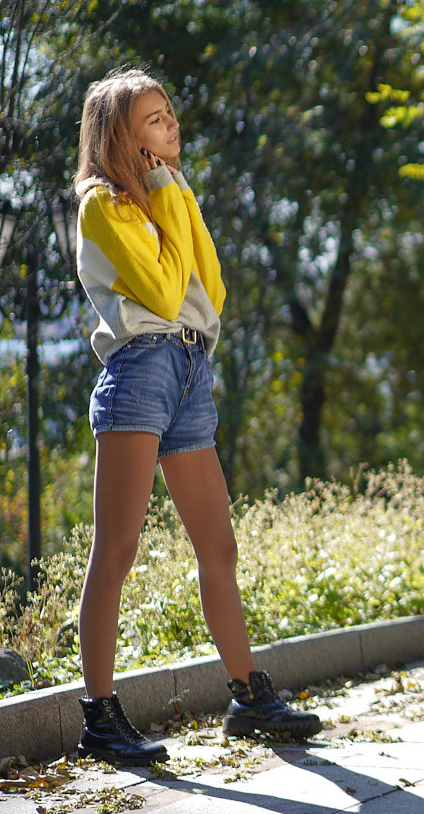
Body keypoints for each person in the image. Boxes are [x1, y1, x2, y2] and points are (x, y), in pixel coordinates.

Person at [71, 68, 320, 766]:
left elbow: (209, 286)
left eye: (170, 112)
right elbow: (158, 286)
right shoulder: (103, 205)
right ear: (122, 135)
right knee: (115, 549)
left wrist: (174, 197)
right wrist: (161, 198)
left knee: (221, 546)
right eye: (154, 118)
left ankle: (247, 695)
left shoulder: (168, 194)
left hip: (188, 367)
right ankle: (98, 713)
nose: (171, 125)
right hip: (141, 368)